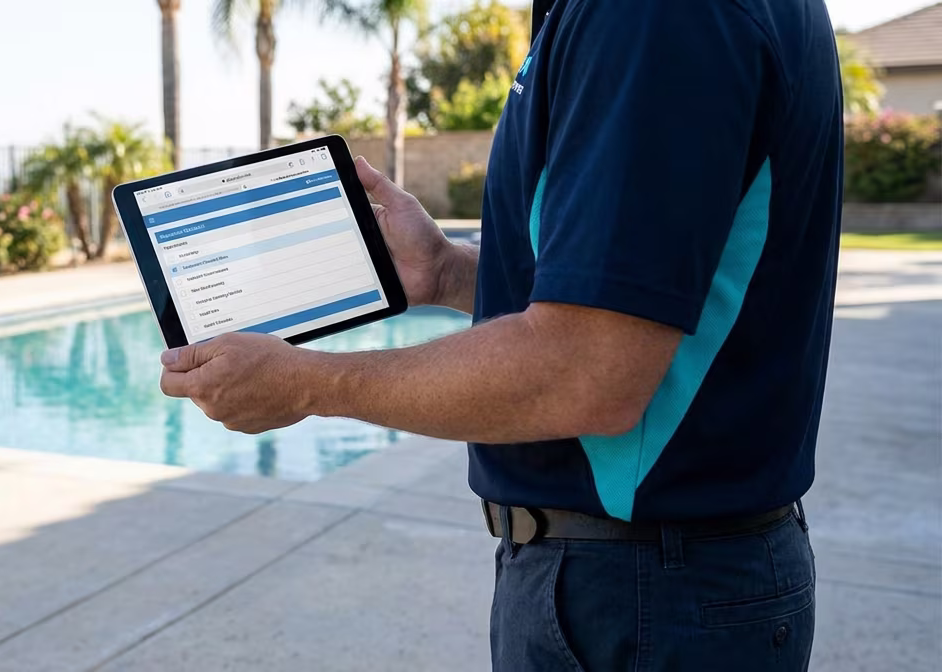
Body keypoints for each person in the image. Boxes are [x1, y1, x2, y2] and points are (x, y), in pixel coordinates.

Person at [158, 0, 843, 669]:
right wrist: (449, 271)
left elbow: (589, 370)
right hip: (654, 577)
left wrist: (309, 383)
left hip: (643, 591)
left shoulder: (652, 17)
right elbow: (630, 291)